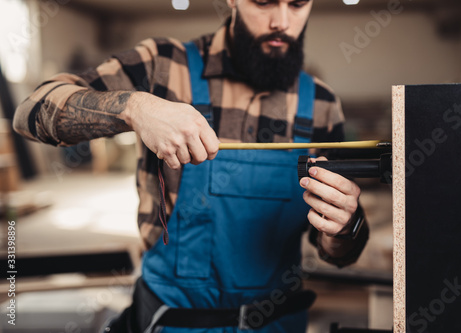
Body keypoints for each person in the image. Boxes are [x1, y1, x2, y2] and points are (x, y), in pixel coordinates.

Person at [13, 0, 369, 332]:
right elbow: (30, 112)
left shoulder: (322, 104)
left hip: (278, 321)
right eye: (263, 1)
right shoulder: (165, 66)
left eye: (297, 3)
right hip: (172, 320)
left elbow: (338, 253)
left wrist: (343, 227)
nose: (282, 21)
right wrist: (134, 107)